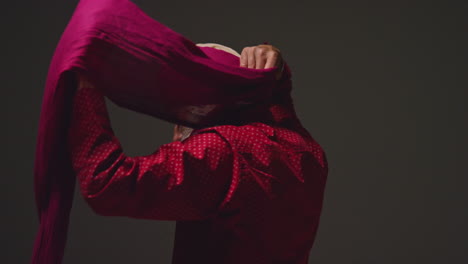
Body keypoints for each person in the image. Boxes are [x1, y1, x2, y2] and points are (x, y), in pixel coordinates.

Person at [67, 42, 329, 263]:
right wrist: (276, 70)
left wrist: (84, 88)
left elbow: (106, 182)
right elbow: (282, 104)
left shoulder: (218, 152)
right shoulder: (305, 150)